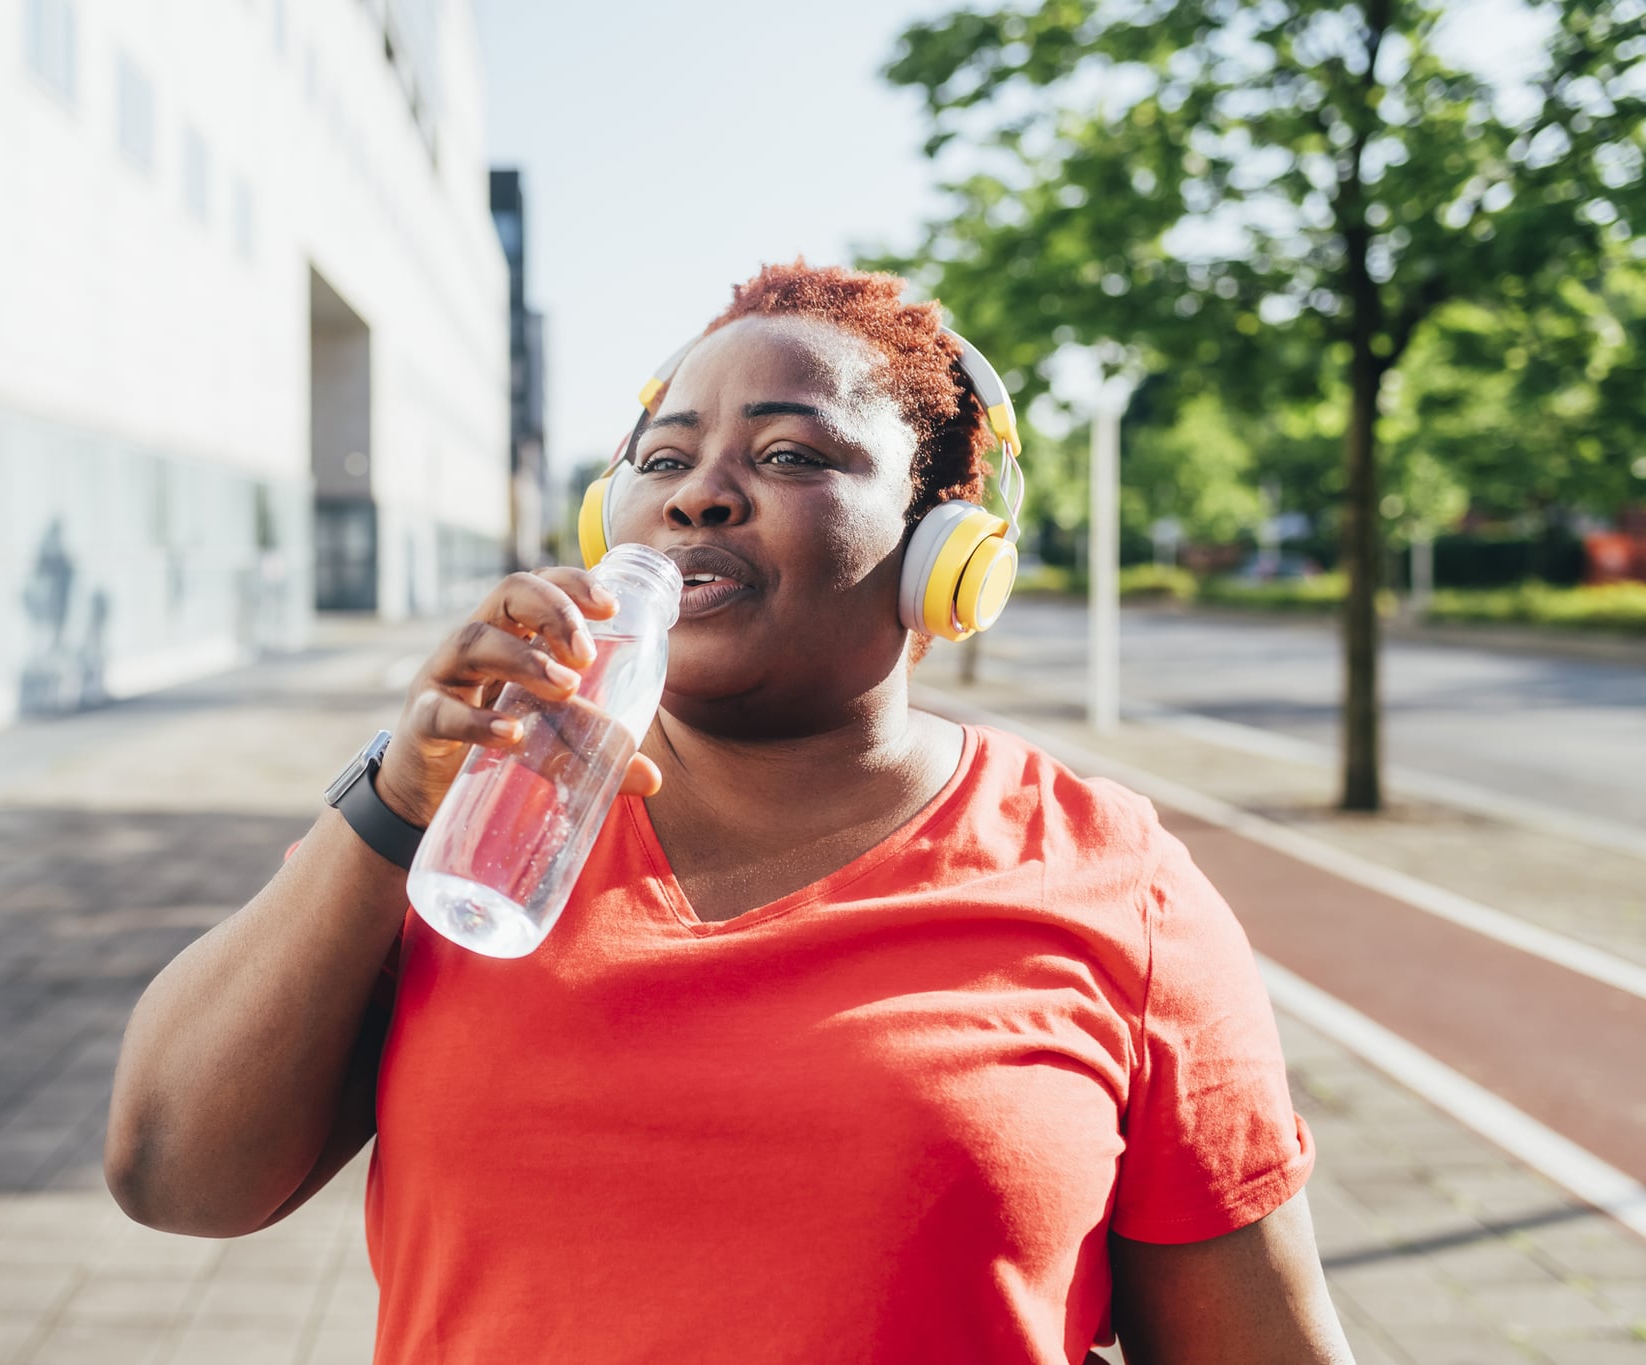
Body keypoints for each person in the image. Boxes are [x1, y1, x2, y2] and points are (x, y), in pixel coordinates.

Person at [104, 262, 1355, 1363]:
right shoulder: (466, 821)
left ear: (950, 555)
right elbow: (174, 1174)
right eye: (660, 461)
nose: (696, 495)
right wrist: (388, 805)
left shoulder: (1107, 880)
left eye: (789, 454)